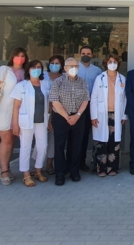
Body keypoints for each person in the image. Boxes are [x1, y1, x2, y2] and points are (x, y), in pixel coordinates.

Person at [0, 47, 28, 185]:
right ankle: (4, 170)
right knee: (6, 140)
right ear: (12, 56)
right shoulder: (3, 70)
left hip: (19, 111)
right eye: (17, 55)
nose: (20, 58)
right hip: (3, 110)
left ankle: (8, 168)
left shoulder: (25, 72)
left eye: (23, 56)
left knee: (12, 139)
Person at [49, 58, 90, 186]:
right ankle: (60, 173)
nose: (74, 68)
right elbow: (55, 101)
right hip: (61, 117)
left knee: (76, 145)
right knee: (59, 146)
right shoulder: (57, 82)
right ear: (65, 68)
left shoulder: (83, 82)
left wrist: (77, 115)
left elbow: (85, 100)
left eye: (76, 66)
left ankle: (74, 171)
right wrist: (67, 117)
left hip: (78, 117)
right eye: (71, 65)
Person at [11, 60, 50, 187]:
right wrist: (15, 125)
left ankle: (38, 170)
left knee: (43, 147)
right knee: (26, 147)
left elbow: (49, 105)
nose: (36, 69)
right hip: (26, 121)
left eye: (39, 67)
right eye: (34, 67)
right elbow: (16, 107)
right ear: (28, 69)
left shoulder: (45, 84)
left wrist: (50, 120)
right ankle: (26, 175)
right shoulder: (21, 86)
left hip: (41, 121)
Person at [90, 55, 127, 177]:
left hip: (116, 114)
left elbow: (125, 99)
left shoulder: (122, 79)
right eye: (110, 61)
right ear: (106, 63)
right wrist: (93, 116)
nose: (112, 63)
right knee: (101, 142)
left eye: (115, 62)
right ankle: (101, 168)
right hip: (101, 114)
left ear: (118, 63)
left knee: (114, 142)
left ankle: (112, 168)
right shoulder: (99, 78)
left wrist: (123, 115)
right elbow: (94, 98)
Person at [33, 55, 64, 175]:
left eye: (57, 63)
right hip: (43, 112)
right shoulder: (42, 76)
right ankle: (36, 165)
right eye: (52, 63)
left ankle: (49, 164)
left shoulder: (64, 78)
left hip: (59, 113)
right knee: (40, 140)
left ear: (61, 66)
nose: (55, 65)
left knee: (53, 140)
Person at [73, 46, 102, 172]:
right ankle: (72, 161)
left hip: (90, 105)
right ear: (79, 54)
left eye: (88, 53)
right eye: (83, 53)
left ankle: (82, 162)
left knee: (85, 135)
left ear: (92, 55)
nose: (86, 55)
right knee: (74, 135)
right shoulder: (74, 69)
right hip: (74, 105)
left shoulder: (97, 71)